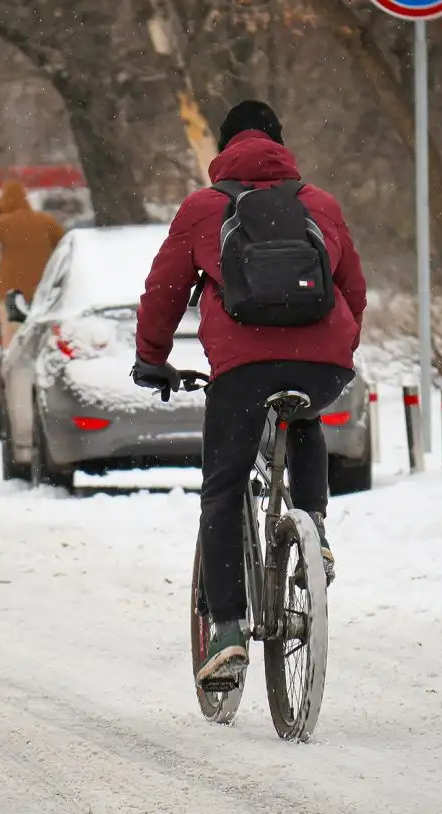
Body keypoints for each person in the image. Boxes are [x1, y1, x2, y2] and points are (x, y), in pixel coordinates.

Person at [131, 100, 367, 688]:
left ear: (226, 146)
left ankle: (229, 631)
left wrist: (151, 360)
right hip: (321, 365)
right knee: (303, 412)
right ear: (281, 146)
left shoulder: (204, 209)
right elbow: (354, 290)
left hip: (241, 367)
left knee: (223, 487)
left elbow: (164, 292)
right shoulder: (321, 204)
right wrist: (334, 348)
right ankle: (313, 524)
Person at [0, 180, 66, 347]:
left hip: (11, 290)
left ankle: (13, 366)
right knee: (41, 334)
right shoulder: (45, 220)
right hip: (41, 289)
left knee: (13, 336)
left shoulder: (2, 223)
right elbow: (63, 242)